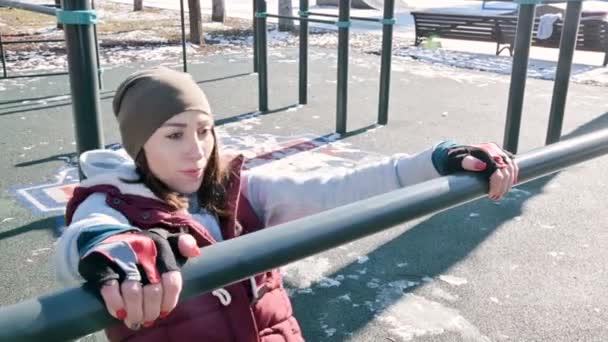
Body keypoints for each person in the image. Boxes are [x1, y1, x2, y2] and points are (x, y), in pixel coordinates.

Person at [53, 66, 518, 342]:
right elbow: (82, 243)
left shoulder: (240, 190)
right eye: (174, 135)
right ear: (140, 144)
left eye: (203, 130)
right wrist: (120, 250)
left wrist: (437, 162)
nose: (196, 150)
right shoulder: (113, 205)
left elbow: (345, 187)